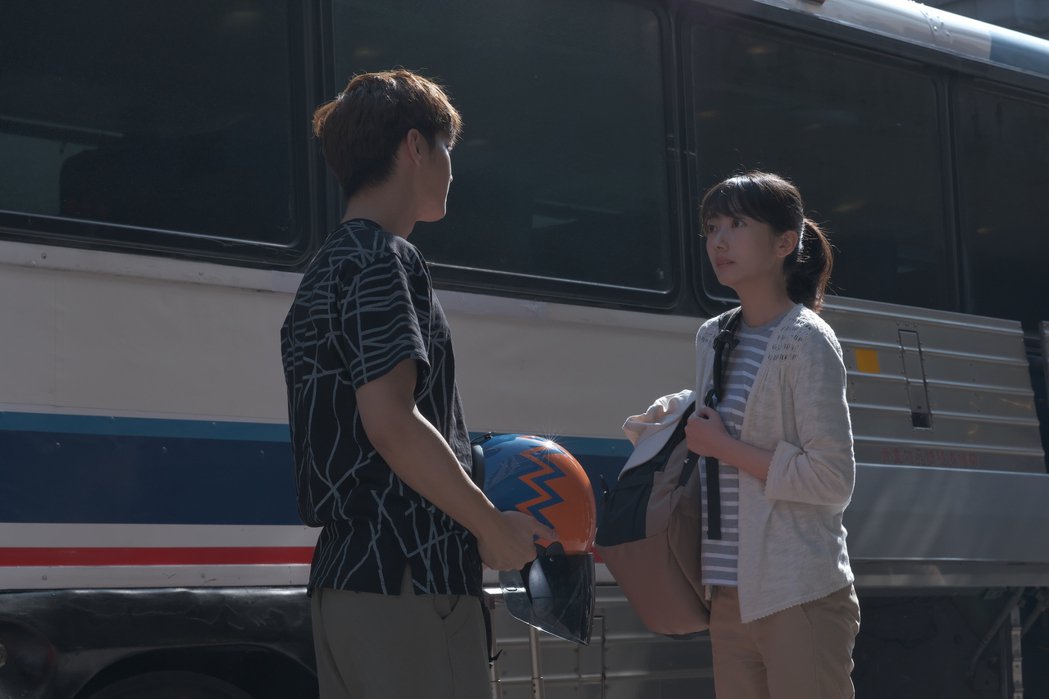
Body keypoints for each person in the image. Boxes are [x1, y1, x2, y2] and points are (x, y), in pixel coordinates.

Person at [280, 69, 555, 699]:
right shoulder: (385, 258)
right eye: (447, 150)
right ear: (414, 147)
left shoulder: (321, 272)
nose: (452, 170)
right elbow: (392, 423)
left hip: (344, 582)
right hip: (410, 577)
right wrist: (491, 527)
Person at [684, 171, 860, 699]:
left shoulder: (806, 341)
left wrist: (726, 448)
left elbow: (832, 479)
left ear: (785, 243)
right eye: (712, 227)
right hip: (728, 593)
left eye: (737, 224)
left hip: (798, 592)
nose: (719, 241)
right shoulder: (713, 336)